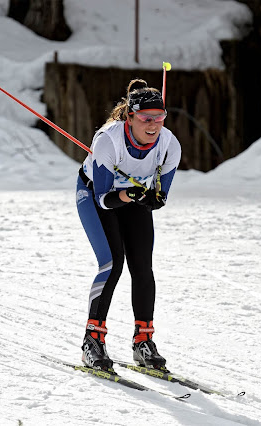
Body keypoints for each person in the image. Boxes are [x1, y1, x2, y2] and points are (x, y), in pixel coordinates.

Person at [75, 78, 181, 371]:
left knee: (142, 267)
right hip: (97, 196)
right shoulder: (108, 140)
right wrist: (128, 193)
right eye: (147, 118)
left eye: (160, 118)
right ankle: (92, 341)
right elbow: (105, 200)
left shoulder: (170, 145)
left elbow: (161, 194)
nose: (154, 125)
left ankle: (143, 341)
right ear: (131, 117)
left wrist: (153, 198)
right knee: (112, 264)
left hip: (130, 198)